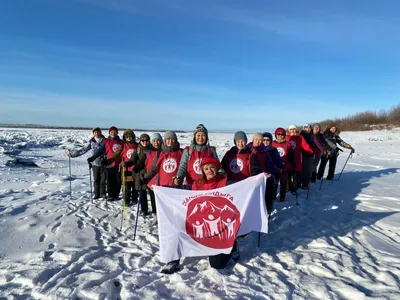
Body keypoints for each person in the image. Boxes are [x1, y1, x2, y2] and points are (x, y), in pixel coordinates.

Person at [160, 157, 239, 275]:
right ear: (203, 171)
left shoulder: (225, 183)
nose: (209, 170)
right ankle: (173, 261)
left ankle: (233, 245)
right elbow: (181, 189)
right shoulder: (198, 184)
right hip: (200, 222)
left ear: (217, 168)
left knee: (217, 265)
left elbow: (242, 186)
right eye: (206, 168)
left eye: (212, 167)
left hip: (219, 227)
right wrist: (162, 189)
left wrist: (258, 179)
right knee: (177, 231)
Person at [68, 127, 106, 199]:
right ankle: (96, 194)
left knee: (103, 180)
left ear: (100, 133)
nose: (97, 134)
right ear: (93, 133)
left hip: (104, 163)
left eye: (98, 132)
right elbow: (83, 150)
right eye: (95, 132)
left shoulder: (105, 141)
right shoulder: (91, 142)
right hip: (95, 163)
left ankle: (103, 194)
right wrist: (73, 155)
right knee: (96, 180)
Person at [88, 126, 123, 201]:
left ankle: (116, 194)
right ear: (109, 133)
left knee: (118, 181)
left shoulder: (121, 142)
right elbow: (99, 150)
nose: (113, 133)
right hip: (109, 164)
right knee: (110, 181)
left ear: (117, 132)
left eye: (114, 131)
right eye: (111, 131)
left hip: (118, 164)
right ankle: (110, 195)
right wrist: (93, 157)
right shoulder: (106, 141)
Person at [272, 127, 294, 202]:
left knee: (283, 184)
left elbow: (291, 155)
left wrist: (293, 162)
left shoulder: (287, 144)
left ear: (284, 135)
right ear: (276, 135)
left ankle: (282, 197)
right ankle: (273, 197)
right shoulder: (273, 144)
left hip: (284, 167)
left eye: (282, 134)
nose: (280, 136)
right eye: (278, 134)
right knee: (274, 184)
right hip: (274, 168)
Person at [145, 133, 163, 214]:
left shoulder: (164, 151)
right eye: (154, 141)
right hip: (151, 179)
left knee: (161, 200)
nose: (156, 142)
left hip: (161, 180)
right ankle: (155, 214)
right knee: (153, 198)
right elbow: (142, 164)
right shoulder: (148, 152)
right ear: (151, 142)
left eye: (158, 140)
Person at [299, 124, 315, 189]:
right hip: (301, 155)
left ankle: (305, 184)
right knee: (300, 170)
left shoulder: (312, 135)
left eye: (309, 128)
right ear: (303, 128)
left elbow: (316, 144)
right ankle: (299, 183)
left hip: (310, 155)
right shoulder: (300, 135)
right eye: (306, 128)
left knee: (307, 171)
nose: (307, 129)